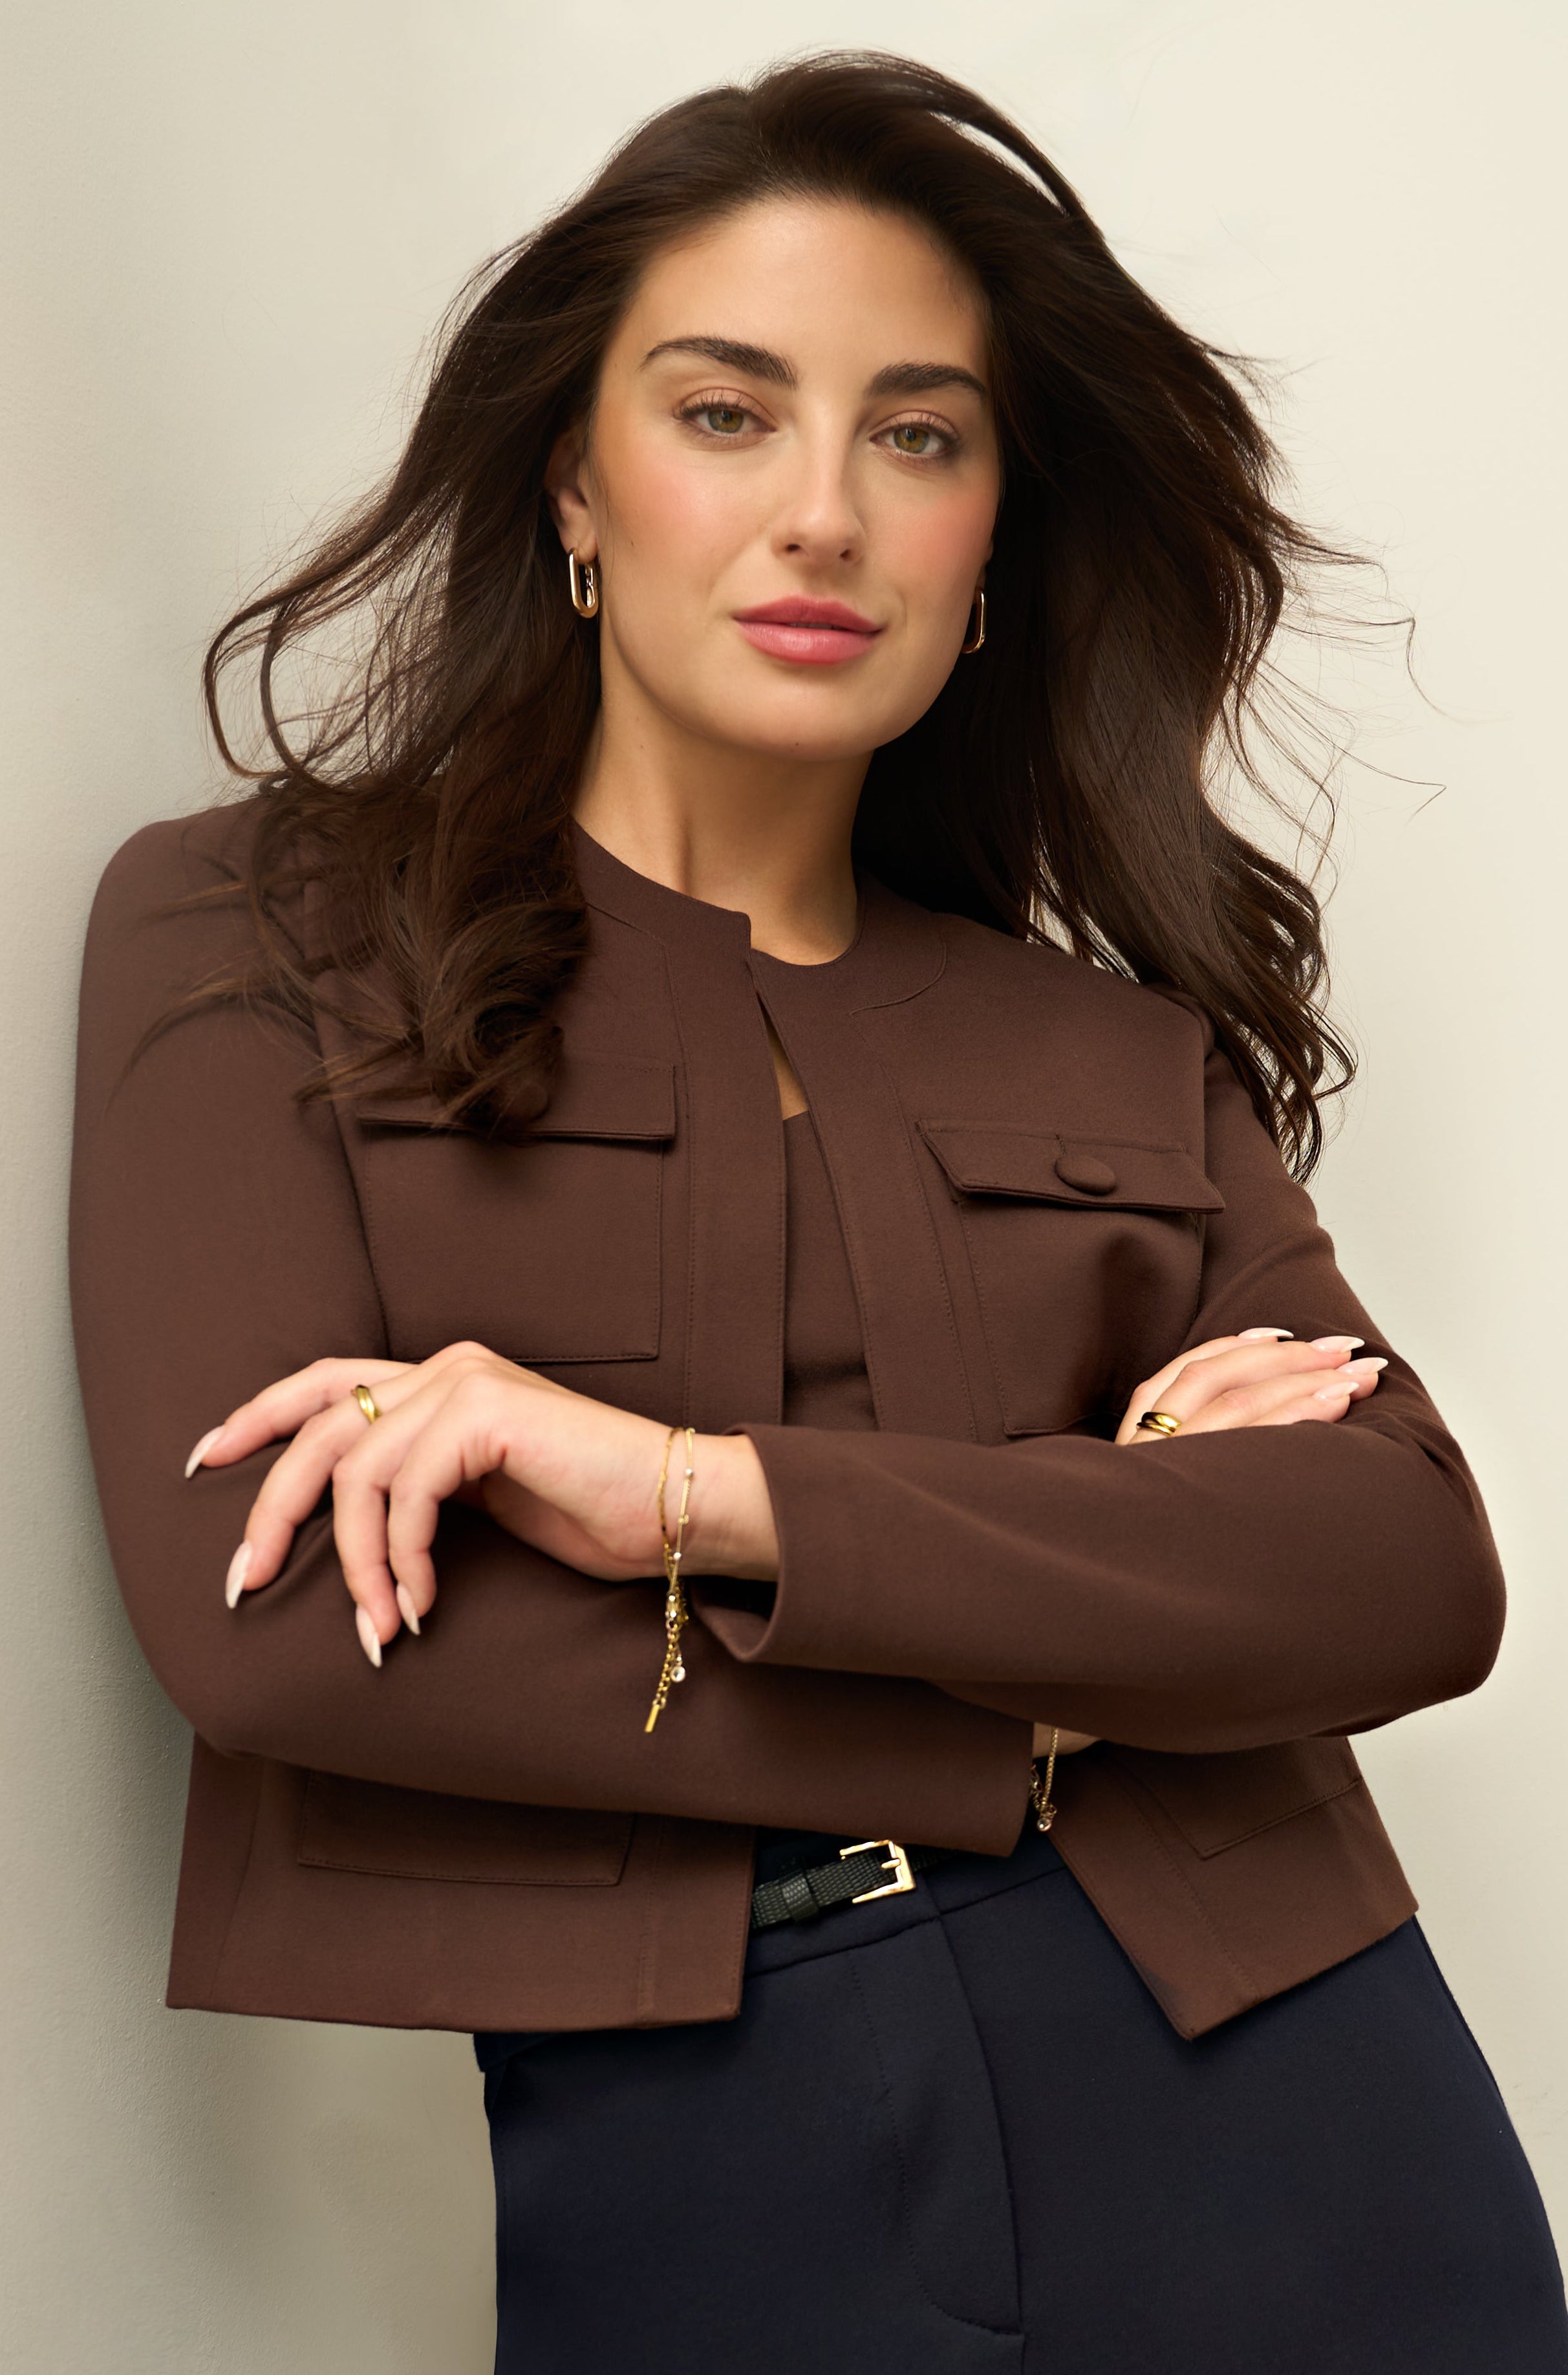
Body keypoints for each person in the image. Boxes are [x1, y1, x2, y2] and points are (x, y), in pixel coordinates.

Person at [70, 51, 1567, 2374]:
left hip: (1301, 2091)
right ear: (575, 482)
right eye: (724, 412)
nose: (826, 515)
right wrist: (1065, 1663)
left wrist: (682, 1495)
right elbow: (267, 1612)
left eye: (919, 436)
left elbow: (1403, 1566)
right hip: (703, 2156)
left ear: (988, 544)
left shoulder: (1111, 1048)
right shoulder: (248, 932)